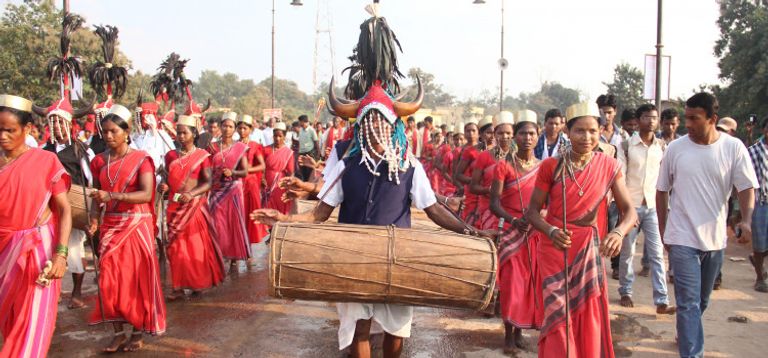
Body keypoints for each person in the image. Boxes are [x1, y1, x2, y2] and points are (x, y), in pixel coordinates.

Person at [253, 80, 488, 358]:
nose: (375, 127)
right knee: (359, 330)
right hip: (353, 257)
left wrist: (468, 230)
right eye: (368, 122)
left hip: (399, 257)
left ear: (393, 127)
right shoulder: (346, 166)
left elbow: (433, 209)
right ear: (360, 128)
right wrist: (283, 218)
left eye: (381, 122)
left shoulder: (410, 166)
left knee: (396, 331)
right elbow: (319, 214)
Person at [526, 101, 637, 358]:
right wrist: (551, 230)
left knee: (588, 314)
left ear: (600, 132)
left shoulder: (609, 165)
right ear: (568, 131)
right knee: (558, 315)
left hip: (588, 248)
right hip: (555, 248)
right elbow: (532, 212)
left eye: (592, 131)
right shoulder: (550, 166)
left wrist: (618, 232)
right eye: (580, 131)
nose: (586, 137)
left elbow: (629, 211)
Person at [656, 92, 757, 358]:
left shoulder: (733, 148)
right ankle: (692, 353)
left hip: (714, 240)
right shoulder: (676, 149)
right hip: (681, 237)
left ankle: (686, 331)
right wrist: (664, 230)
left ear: (712, 119)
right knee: (688, 304)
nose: (686, 124)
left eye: (694, 119)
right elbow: (661, 190)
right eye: (685, 118)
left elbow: (746, 187)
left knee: (700, 302)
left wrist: (746, 221)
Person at [87, 104, 166, 352]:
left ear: (127, 131)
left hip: (136, 225)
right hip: (110, 225)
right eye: (105, 132)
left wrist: (112, 196)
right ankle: (118, 331)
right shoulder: (99, 161)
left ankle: (137, 331)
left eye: (113, 131)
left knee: (135, 279)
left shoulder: (142, 160)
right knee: (109, 279)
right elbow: (95, 195)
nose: (108, 136)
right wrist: (93, 218)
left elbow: (145, 194)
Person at [0, 94, 72, 358]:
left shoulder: (45, 162)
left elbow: (64, 209)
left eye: (10, 130)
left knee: (31, 327)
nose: (3, 136)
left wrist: (61, 255)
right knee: (10, 324)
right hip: (3, 254)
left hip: (37, 256)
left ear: (27, 129)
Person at [615, 104, 675, 314]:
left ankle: (661, 300)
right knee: (628, 252)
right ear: (639, 119)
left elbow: (666, 179)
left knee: (657, 253)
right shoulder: (626, 146)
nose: (651, 121)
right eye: (647, 117)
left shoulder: (662, 147)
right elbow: (619, 179)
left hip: (652, 207)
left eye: (654, 117)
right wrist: (625, 209)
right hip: (631, 205)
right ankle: (626, 291)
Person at [488, 114, 541, 353]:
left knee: (528, 286)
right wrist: (513, 220)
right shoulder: (504, 166)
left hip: (533, 233)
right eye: (523, 133)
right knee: (511, 286)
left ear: (538, 137)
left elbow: (545, 201)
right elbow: (494, 203)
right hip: (511, 232)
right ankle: (508, 335)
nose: (527, 138)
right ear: (515, 137)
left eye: (532, 133)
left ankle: (520, 331)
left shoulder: (542, 167)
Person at [159, 115, 225, 300]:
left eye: (184, 133)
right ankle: (177, 288)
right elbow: (166, 178)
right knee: (174, 248)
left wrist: (192, 194)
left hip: (194, 207)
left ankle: (197, 284)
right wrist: (163, 185)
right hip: (174, 206)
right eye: (178, 132)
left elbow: (208, 182)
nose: (180, 136)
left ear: (193, 134)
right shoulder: (170, 155)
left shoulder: (203, 156)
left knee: (194, 247)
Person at [40, 99, 96, 310]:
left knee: (73, 250)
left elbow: (90, 180)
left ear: (69, 124)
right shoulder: (44, 150)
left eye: (59, 121)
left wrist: (91, 210)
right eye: (52, 122)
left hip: (74, 205)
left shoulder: (80, 149)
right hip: (49, 208)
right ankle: (51, 292)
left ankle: (76, 292)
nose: (56, 126)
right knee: (47, 250)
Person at [207, 112, 251, 269]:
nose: (227, 129)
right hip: (216, 189)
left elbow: (244, 171)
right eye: (224, 125)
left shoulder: (240, 148)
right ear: (220, 127)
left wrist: (232, 172)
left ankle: (233, 256)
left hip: (233, 189)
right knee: (217, 222)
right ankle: (219, 252)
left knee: (232, 222)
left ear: (235, 130)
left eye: (230, 126)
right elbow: (205, 168)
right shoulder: (211, 147)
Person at [472, 111, 514, 230]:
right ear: (495, 134)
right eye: (500, 133)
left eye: (508, 133)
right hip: (489, 209)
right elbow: (473, 186)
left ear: (514, 134)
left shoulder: (519, 158)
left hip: (512, 212)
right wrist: (489, 190)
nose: (504, 136)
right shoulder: (484, 156)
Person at [236, 114, 269, 246]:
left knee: (249, 214)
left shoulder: (255, 145)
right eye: (240, 128)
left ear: (250, 129)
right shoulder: (234, 145)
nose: (242, 131)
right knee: (239, 214)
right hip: (237, 183)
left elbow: (262, 165)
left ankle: (248, 245)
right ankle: (238, 245)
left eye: (245, 128)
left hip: (250, 183)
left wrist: (247, 170)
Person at [748, 115, 768, 293]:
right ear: (764, 130)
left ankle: (758, 263)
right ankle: (760, 278)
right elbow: (747, 182)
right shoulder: (754, 151)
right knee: (760, 243)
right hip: (761, 201)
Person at [263, 122, 295, 216]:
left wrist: (289, 186)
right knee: (266, 204)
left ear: (284, 137)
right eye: (275, 136)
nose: (277, 138)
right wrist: (262, 178)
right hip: (266, 181)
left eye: (280, 136)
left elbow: (290, 172)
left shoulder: (288, 152)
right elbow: (261, 166)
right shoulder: (266, 149)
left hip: (280, 184)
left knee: (279, 205)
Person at [453, 120, 482, 222]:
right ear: (464, 133)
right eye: (468, 131)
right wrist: (460, 187)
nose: (471, 134)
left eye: (473, 131)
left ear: (479, 132)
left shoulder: (485, 150)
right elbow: (455, 173)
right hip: (467, 187)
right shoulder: (460, 151)